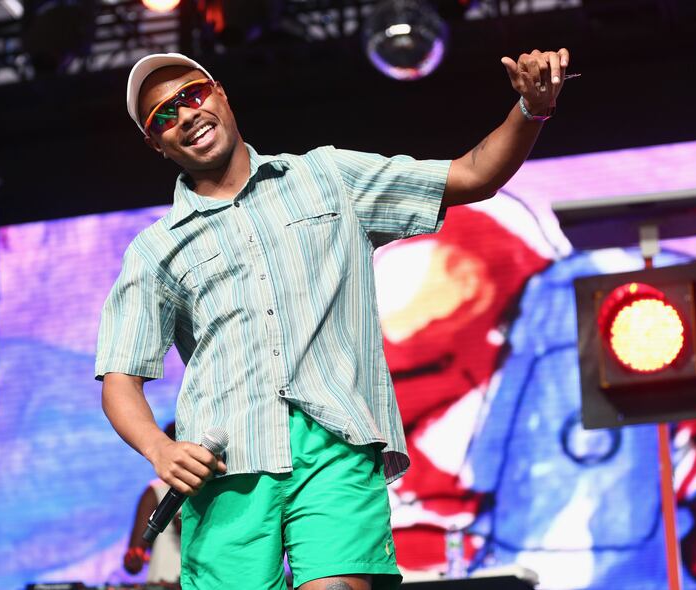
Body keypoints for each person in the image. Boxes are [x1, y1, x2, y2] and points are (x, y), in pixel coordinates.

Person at [96, 47, 571, 590]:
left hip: (334, 441)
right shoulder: (155, 251)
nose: (185, 115)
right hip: (226, 467)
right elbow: (119, 379)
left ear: (220, 92)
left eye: (192, 94)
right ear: (155, 143)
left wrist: (531, 109)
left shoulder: (328, 177)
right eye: (163, 115)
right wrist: (160, 447)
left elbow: (472, 175)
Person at [123, 422, 182, 587]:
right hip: (164, 583)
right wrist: (135, 556)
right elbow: (133, 559)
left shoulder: (212, 489)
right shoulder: (155, 492)